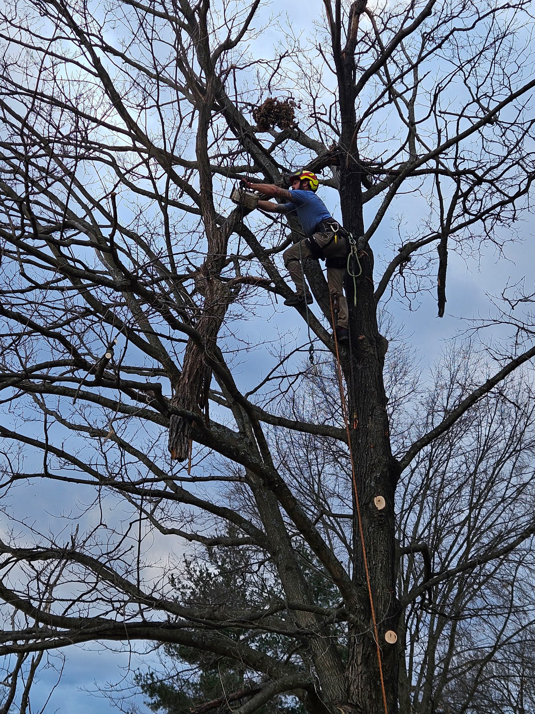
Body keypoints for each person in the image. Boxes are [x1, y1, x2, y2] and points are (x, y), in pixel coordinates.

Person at [241, 171, 350, 345]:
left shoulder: (305, 195)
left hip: (327, 236)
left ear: (305, 184)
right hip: (339, 244)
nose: (292, 187)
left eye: (295, 183)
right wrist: (252, 201)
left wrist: (251, 186)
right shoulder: (300, 204)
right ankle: (343, 328)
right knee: (335, 291)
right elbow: (276, 208)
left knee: (289, 255)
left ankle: (302, 293)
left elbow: (276, 192)